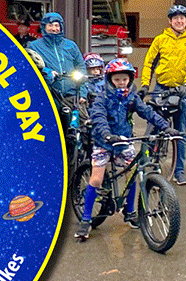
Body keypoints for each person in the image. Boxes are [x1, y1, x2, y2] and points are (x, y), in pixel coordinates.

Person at [75, 59, 176, 241]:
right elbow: (98, 117)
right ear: (110, 80)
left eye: (124, 79)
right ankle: (86, 218)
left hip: (124, 140)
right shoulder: (102, 97)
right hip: (104, 141)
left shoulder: (131, 97)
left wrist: (165, 127)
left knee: (132, 175)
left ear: (130, 79)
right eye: (117, 80)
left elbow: (147, 112)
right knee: (96, 179)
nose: (121, 83)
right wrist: (106, 134)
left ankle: (130, 212)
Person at [143, 4, 186, 185]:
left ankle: (179, 171)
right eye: (175, 18)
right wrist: (145, 85)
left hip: (181, 90)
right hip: (162, 87)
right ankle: (148, 163)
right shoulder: (161, 39)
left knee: (180, 131)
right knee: (152, 126)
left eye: (182, 18)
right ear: (170, 21)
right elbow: (149, 62)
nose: (179, 21)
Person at [30, 12, 85, 98]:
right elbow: (31, 68)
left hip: (71, 96)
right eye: (50, 25)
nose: (54, 28)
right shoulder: (34, 46)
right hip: (47, 95)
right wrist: (47, 72)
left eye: (57, 25)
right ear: (44, 27)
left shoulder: (71, 45)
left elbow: (81, 68)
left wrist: (83, 94)